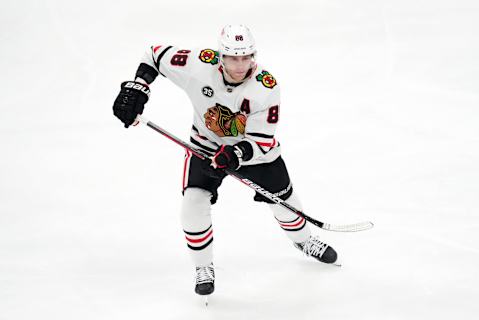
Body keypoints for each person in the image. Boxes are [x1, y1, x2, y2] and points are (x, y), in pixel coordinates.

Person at [113, 25, 338, 296]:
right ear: (221, 56)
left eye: (246, 57)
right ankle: (202, 267)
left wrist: (235, 155)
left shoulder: (266, 87)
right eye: (233, 57)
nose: (240, 65)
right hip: (205, 148)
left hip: (256, 155)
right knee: (192, 206)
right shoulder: (198, 64)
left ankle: (303, 241)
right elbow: (154, 54)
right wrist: (140, 87)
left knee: (285, 203)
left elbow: (262, 140)